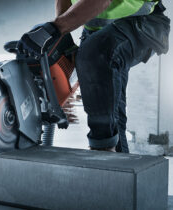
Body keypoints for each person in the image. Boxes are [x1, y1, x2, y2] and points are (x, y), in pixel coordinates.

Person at [17, 0, 170, 153]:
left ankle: (103, 151)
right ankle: (117, 163)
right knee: (112, 114)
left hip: (143, 23)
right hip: (98, 31)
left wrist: (55, 27)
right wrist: (59, 35)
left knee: (93, 56)